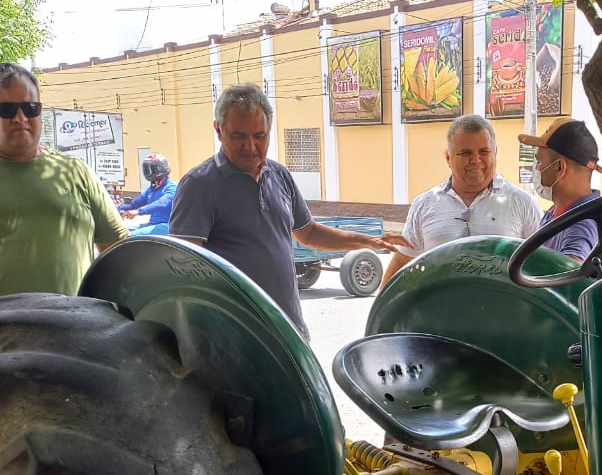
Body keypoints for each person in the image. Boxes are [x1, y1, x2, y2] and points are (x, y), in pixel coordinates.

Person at [168, 83, 405, 336]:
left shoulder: (279, 175)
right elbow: (185, 270)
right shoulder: (198, 185)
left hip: (288, 331)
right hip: (235, 338)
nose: (250, 147)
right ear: (218, 130)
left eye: (259, 136)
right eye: (238, 136)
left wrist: (368, 241)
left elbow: (309, 233)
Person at [0, 62, 128, 296]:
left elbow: (118, 249)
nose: (20, 118)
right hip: (8, 331)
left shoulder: (75, 171)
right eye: (6, 110)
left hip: (78, 327)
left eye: (30, 108)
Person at [380, 114, 541, 288]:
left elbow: (545, 265)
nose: (476, 160)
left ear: (495, 152)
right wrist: (380, 312)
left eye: (484, 152)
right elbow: (400, 265)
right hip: (440, 313)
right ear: (448, 158)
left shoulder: (523, 204)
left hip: (503, 312)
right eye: (465, 153)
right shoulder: (424, 205)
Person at [520, 118, 602, 263]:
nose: (536, 169)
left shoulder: (582, 222)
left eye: (539, 162)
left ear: (559, 167)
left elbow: (571, 271)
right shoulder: (555, 213)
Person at [117, 152, 178, 232]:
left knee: (131, 237)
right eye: (147, 169)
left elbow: (162, 203)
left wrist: (138, 212)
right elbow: (133, 204)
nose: (149, 172)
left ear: (161, 169)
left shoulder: (172, 187)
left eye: (152, 169)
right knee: (122, 232)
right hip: (153, 225)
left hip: (167, 227)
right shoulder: (152, 189)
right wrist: (115, 209)